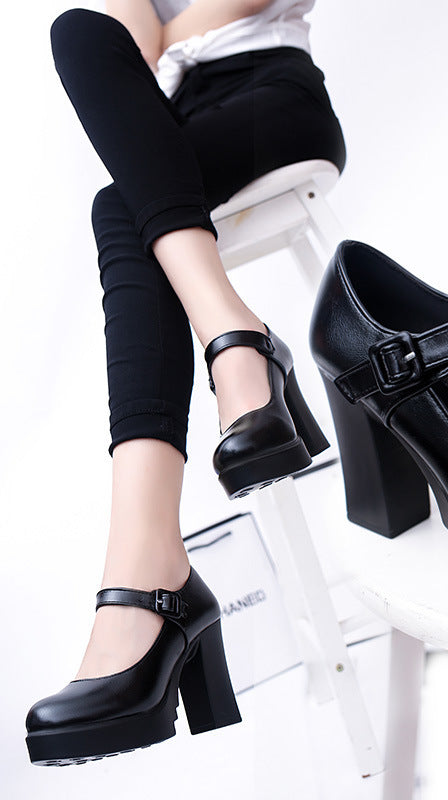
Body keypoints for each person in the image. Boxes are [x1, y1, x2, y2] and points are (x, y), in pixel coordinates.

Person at [25, 0, 345, 765]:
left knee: (125, 210)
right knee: (79, 35)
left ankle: (148, 574)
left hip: (271, 96)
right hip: (173, 128)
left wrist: (168, 35)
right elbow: (132, 47)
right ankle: (235, 342)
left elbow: (201, 25)